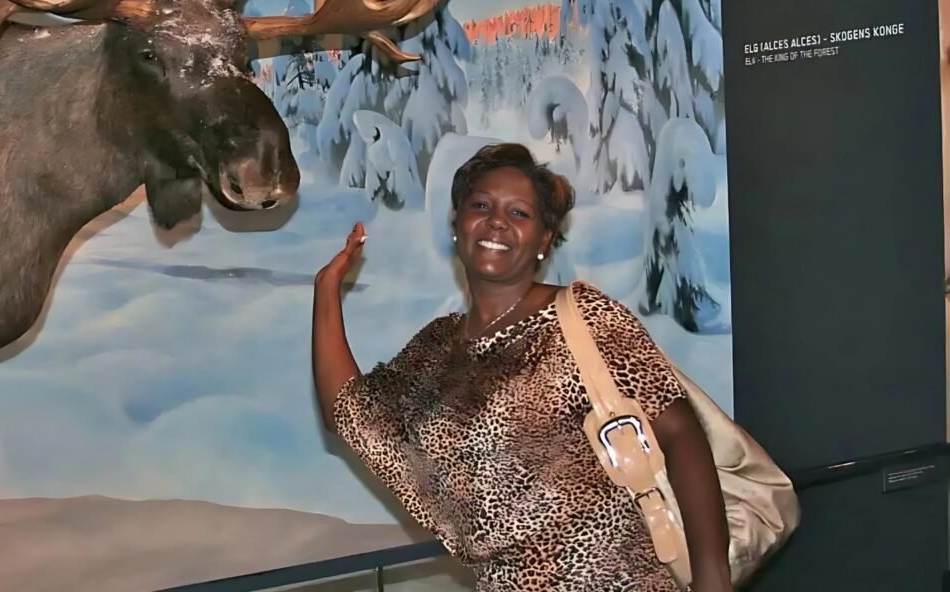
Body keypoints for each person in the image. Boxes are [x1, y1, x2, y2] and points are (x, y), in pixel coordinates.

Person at [311, 142, 731, 592]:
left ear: (544, 240)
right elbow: (350, 414)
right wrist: (326, 288)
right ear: (456, 223)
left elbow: (681, 433)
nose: (497, 221)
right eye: (481, 205)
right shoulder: (434, 348)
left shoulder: (583, 317)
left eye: (519, 213)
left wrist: (713, 579)